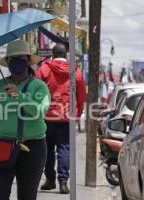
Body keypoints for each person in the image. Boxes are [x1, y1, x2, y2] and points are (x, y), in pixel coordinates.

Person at [0, 40, 51, 200]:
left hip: (32, 147)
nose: (15, 61)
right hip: (1, 145)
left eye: (20, 57)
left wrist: (19, 96)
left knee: (27, 195)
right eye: (12, 58)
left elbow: (40, 112)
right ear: (7, 63)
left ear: (27, 60)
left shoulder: (39, 87)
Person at [35, 44, 86, 194]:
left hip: (47, 116)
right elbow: (82, 94)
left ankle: (50, 180)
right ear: (66, 55)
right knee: (64, 149)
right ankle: (63, 182)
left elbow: (36, 91)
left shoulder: (44, 69)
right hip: (67, 117)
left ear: (52, 54)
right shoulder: (75, 71)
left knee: (47, 149)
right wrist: (78, 112)